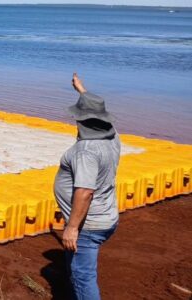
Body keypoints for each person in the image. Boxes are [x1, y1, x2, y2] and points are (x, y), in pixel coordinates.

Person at [53, 73, 120, 300]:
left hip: (88, 225)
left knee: (83, 277)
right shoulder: (112, 136)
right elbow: (96, 109)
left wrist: (72, 227)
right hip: (107, 214)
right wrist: (81, 90)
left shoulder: (86, 151)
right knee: (77, 271)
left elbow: (85, 191)